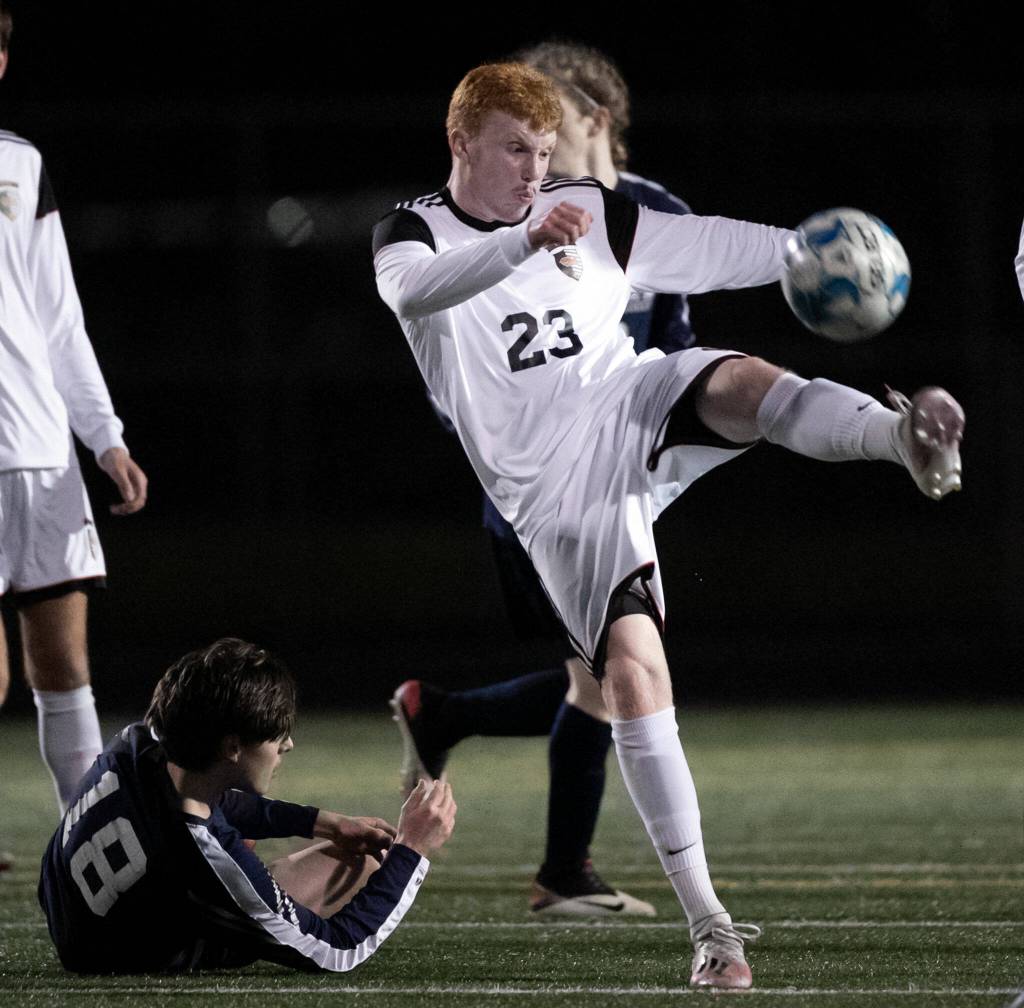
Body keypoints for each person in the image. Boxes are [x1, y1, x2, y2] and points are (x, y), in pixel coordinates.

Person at [372, 61, 964, 989]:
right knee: (636, 676)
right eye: (515, 152)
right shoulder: (410, 231)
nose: (535, 171)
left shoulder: (582, 205)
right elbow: (415, 293)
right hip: (551, 488)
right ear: (461, 143)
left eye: (541, 151)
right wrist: (524, 243)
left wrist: (796, 252)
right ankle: (712, 928)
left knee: (741, 379)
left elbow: (701, 248)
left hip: (626, 397)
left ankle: (903, 438)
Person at [390, 40, 697, 919]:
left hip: (623, 473)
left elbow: (677, 351)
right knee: (609, 675)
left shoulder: (648, 213)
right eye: (520, 135)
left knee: (601, 675)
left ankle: (442, 714)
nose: (537, 145)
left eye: (551, 124)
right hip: (538, 485)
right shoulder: (504, 219)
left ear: (595, 120)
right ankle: (562, 872)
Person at [38, 638, 456, 974]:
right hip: (121, 953)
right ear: (233, 746)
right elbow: (338, 948)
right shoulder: (199, 853)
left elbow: (212, 800)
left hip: (73, 913)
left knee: (326, 855)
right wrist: (413, 848)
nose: (287, 746)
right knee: (366, 865)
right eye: (276, 738)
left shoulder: (136, 744)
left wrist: (322, 822)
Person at [0, 3, 149, 815]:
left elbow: (59, 317)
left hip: (41, 452)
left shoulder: (20, 164)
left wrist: (105, 437)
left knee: (62, 668)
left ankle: (87, 844)